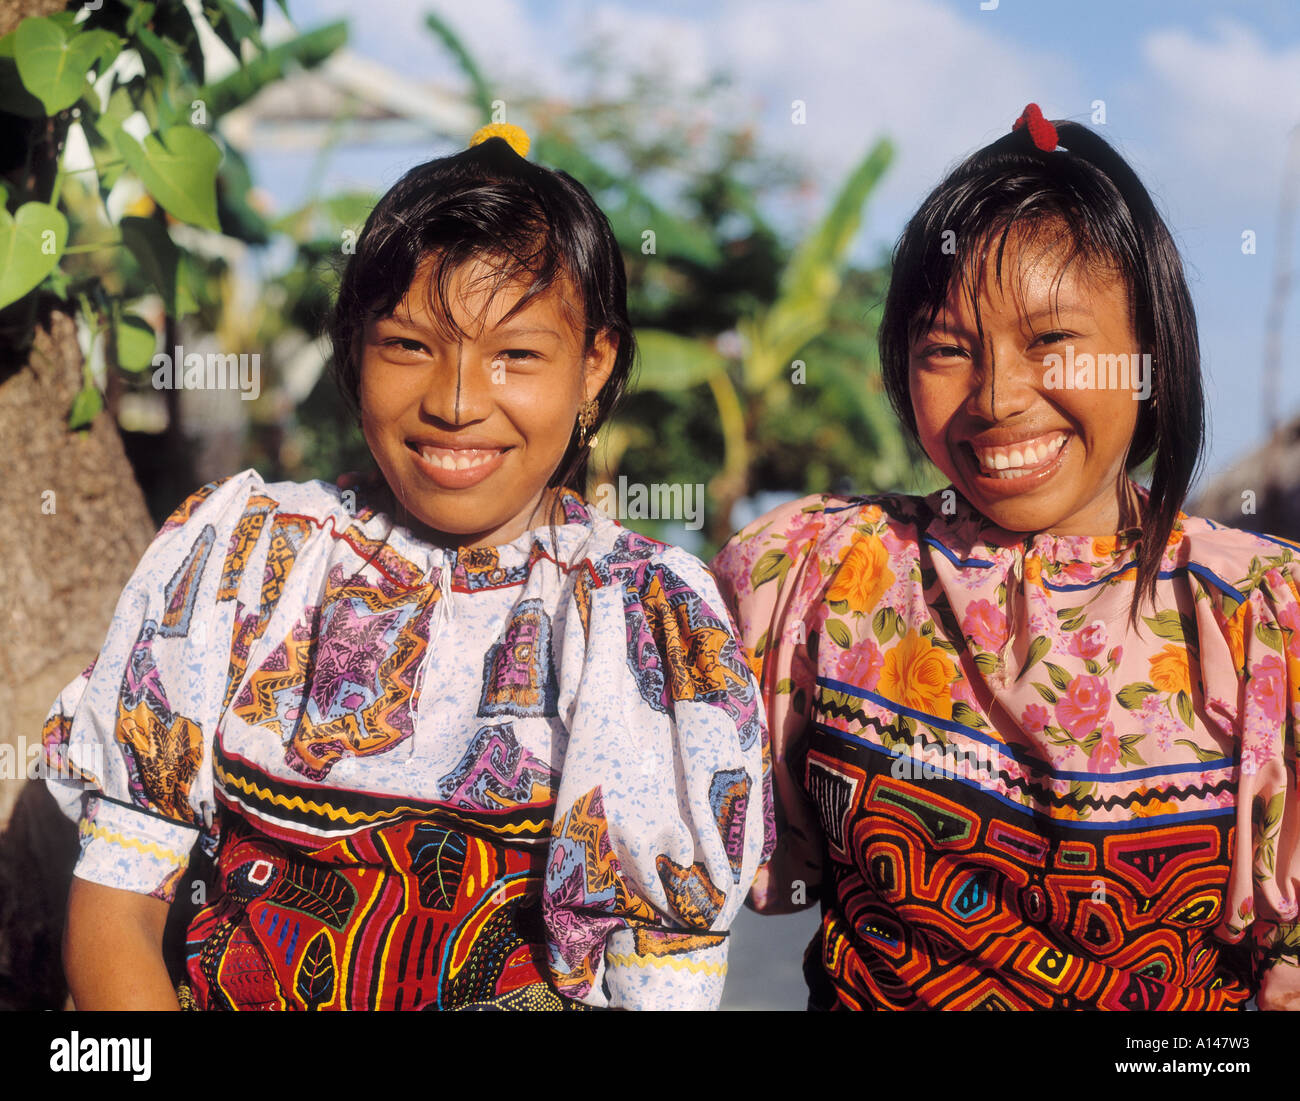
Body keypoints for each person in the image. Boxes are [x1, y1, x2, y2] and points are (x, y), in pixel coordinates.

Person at [43, 124, 772, 1011]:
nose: (457, 402)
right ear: (353, 348)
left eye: (516, 354)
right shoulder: (243, 558)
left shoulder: (643, 620)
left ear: (594, 366)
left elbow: (663, 984)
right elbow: (116, 902)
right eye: (410, 345)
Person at [712, 105, 1300, 1011]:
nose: (996, 397)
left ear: (1150, 351)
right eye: (947, 348)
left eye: (1053, 340)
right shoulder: (815, 573)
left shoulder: (1261, 615)